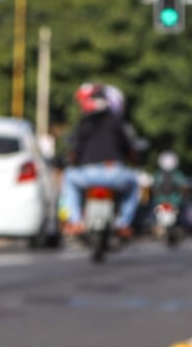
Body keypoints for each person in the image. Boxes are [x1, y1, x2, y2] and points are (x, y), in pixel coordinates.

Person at [59, 83, 142, 237]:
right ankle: (124, 224)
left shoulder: (83, 124)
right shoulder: (118, 123)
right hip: (114, 173)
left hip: (87, 175)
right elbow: (130, 150)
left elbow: (73, 153)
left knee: (68, 177)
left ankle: (76, 222)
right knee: (135, 182)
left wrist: (71, 161)